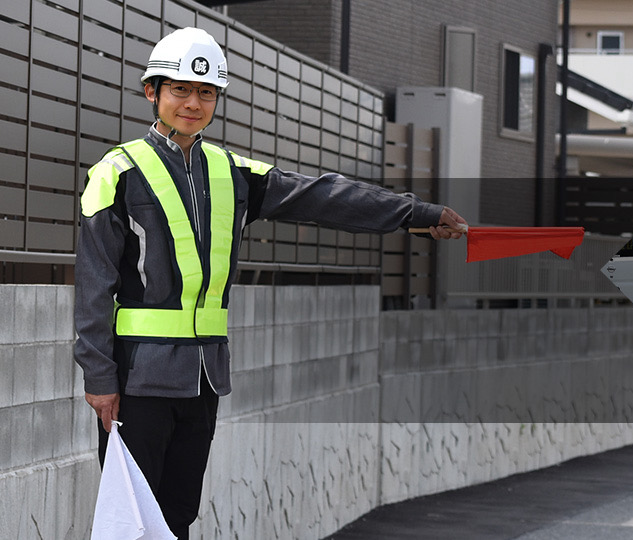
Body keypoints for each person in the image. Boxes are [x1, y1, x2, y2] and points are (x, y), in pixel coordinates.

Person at [72, 27, 467, 539]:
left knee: (177, 517)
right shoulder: (117, 171)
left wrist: (416, 211)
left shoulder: (233, 171)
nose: (193, 103)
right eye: (180, 90)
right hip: (136, 378)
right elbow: (93, 283)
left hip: (204, 379)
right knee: (132, 522)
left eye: (206, 92)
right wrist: (99, 378)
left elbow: (323, 196)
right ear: (153, 92)